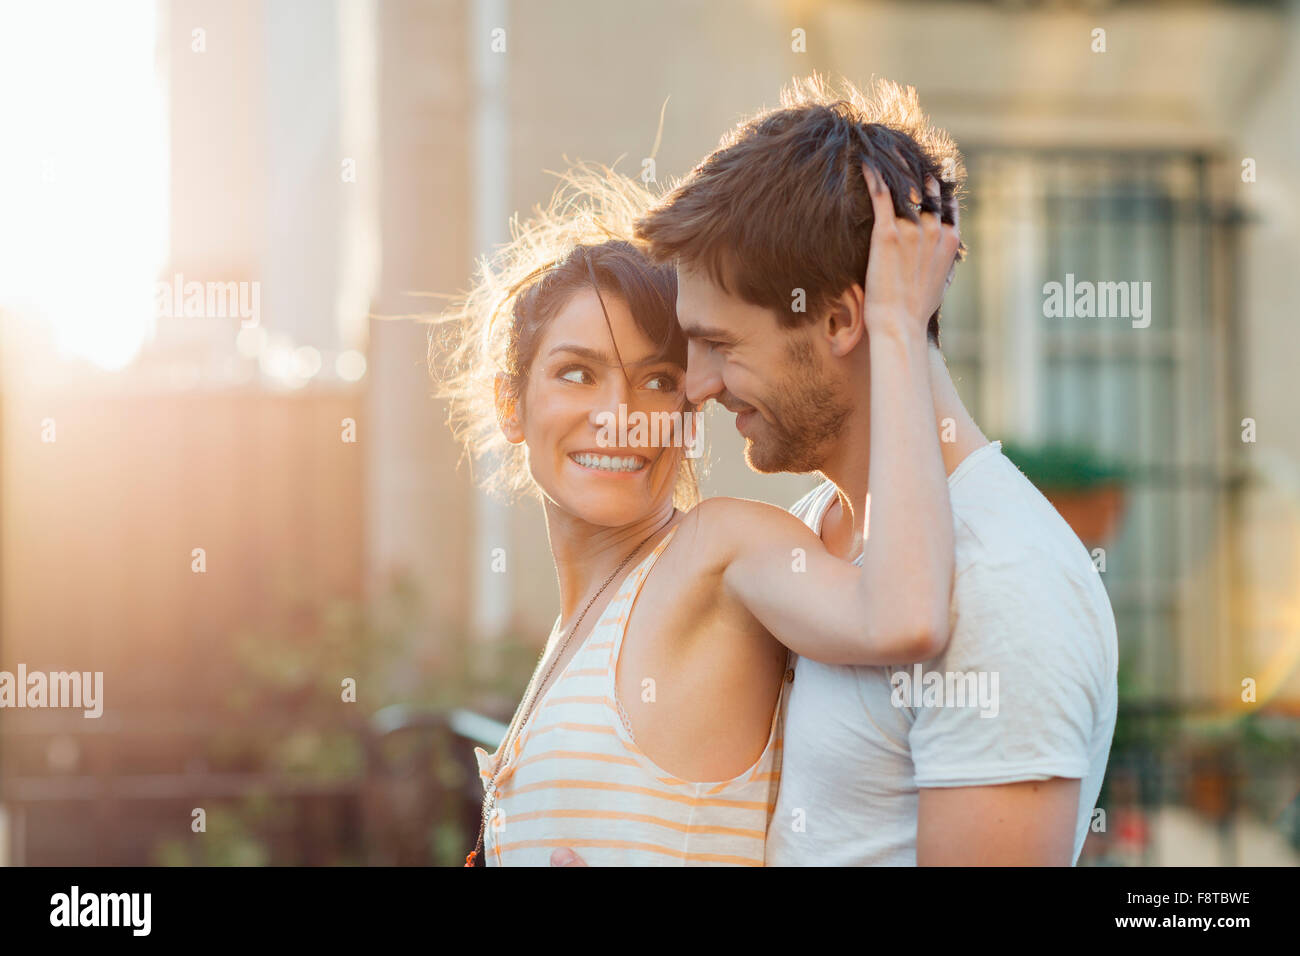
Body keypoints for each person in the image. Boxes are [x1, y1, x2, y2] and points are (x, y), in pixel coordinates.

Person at [601, 74, 1117, 866]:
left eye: (723, 346)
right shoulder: (816, 532)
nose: (697, 387)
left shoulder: (1002, 583)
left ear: (843, 318)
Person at [437, 158, 959, 866]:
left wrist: (897, 327)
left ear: (691, 408)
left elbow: (905, 615)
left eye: (657, 380)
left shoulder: (718, 552)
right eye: (577, 373)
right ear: (511, 404)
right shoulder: (578, 628)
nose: (619, 418)